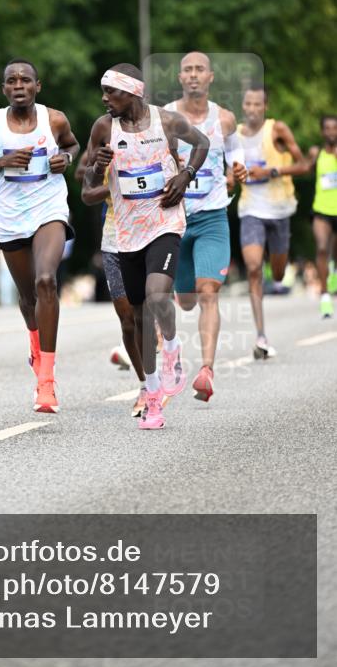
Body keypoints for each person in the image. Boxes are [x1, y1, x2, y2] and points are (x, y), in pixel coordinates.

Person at [82, 64, 208, 430]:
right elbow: (88, 188)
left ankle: (171, 346)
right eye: (103, 92)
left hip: (165, 223)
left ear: (134, 92)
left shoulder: (166, 121)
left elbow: (202, 143)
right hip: (126, 231)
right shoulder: (103, 128)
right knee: (139, 316)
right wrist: (96, 166)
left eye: (112, 92)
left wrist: (185, 176)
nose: (105, 99)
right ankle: (153, 397)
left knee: (157, 297)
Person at [0, 59, 80, 414]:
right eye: (11, 81)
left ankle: (46, 380)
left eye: (25, 80)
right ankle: (35, 343)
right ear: (4, 89)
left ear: (37, 86)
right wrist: (0, 162)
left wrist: (67, 160)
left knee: (47, 282)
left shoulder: (54, 119)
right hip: (11, 217)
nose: (18, 86)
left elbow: (74, 146)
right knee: (28, 297)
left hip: (49, 211)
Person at [164, 52, 248, 402]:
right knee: (184, 301)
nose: (194, 75)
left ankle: (206, 370)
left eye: (200, 69)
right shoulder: (166, 117)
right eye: (188, 70)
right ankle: (173, 348)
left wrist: (238, 169)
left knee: (208, 290)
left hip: (213, 216)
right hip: (176, 218)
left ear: (211, 77)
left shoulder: (224, 119)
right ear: (180, 77)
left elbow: (235, 152)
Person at [236, 86, 307, 358]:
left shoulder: (277, 129)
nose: (252, 109)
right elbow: (231, 171)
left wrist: (270, 171)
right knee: (254, 268)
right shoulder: (237, 134)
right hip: (251, 209)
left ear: (265, 107)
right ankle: (261, 336)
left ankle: (279, 269)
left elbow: (302, 166)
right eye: (248, 104)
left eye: (257, 104)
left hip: (280, 211)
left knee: (276, 274)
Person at [76, 149, 147, 415]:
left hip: (150, 237)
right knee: (128, 321)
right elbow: (85, 189)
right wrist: (108, 181)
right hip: (114, 241)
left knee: (145, 314)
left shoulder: (156, 132)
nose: (109, 104)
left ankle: (155, 379)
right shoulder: (103, 136)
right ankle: (145, 384)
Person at [306, 114, 337, 318]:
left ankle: (333, 270)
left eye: (335, 128)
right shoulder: (316, 154)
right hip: (321, 211)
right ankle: (325, 296)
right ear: (322, 131)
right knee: (322, 248)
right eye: (327, 128)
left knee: (335, 253)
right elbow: (303, 168)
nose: (331, 132)